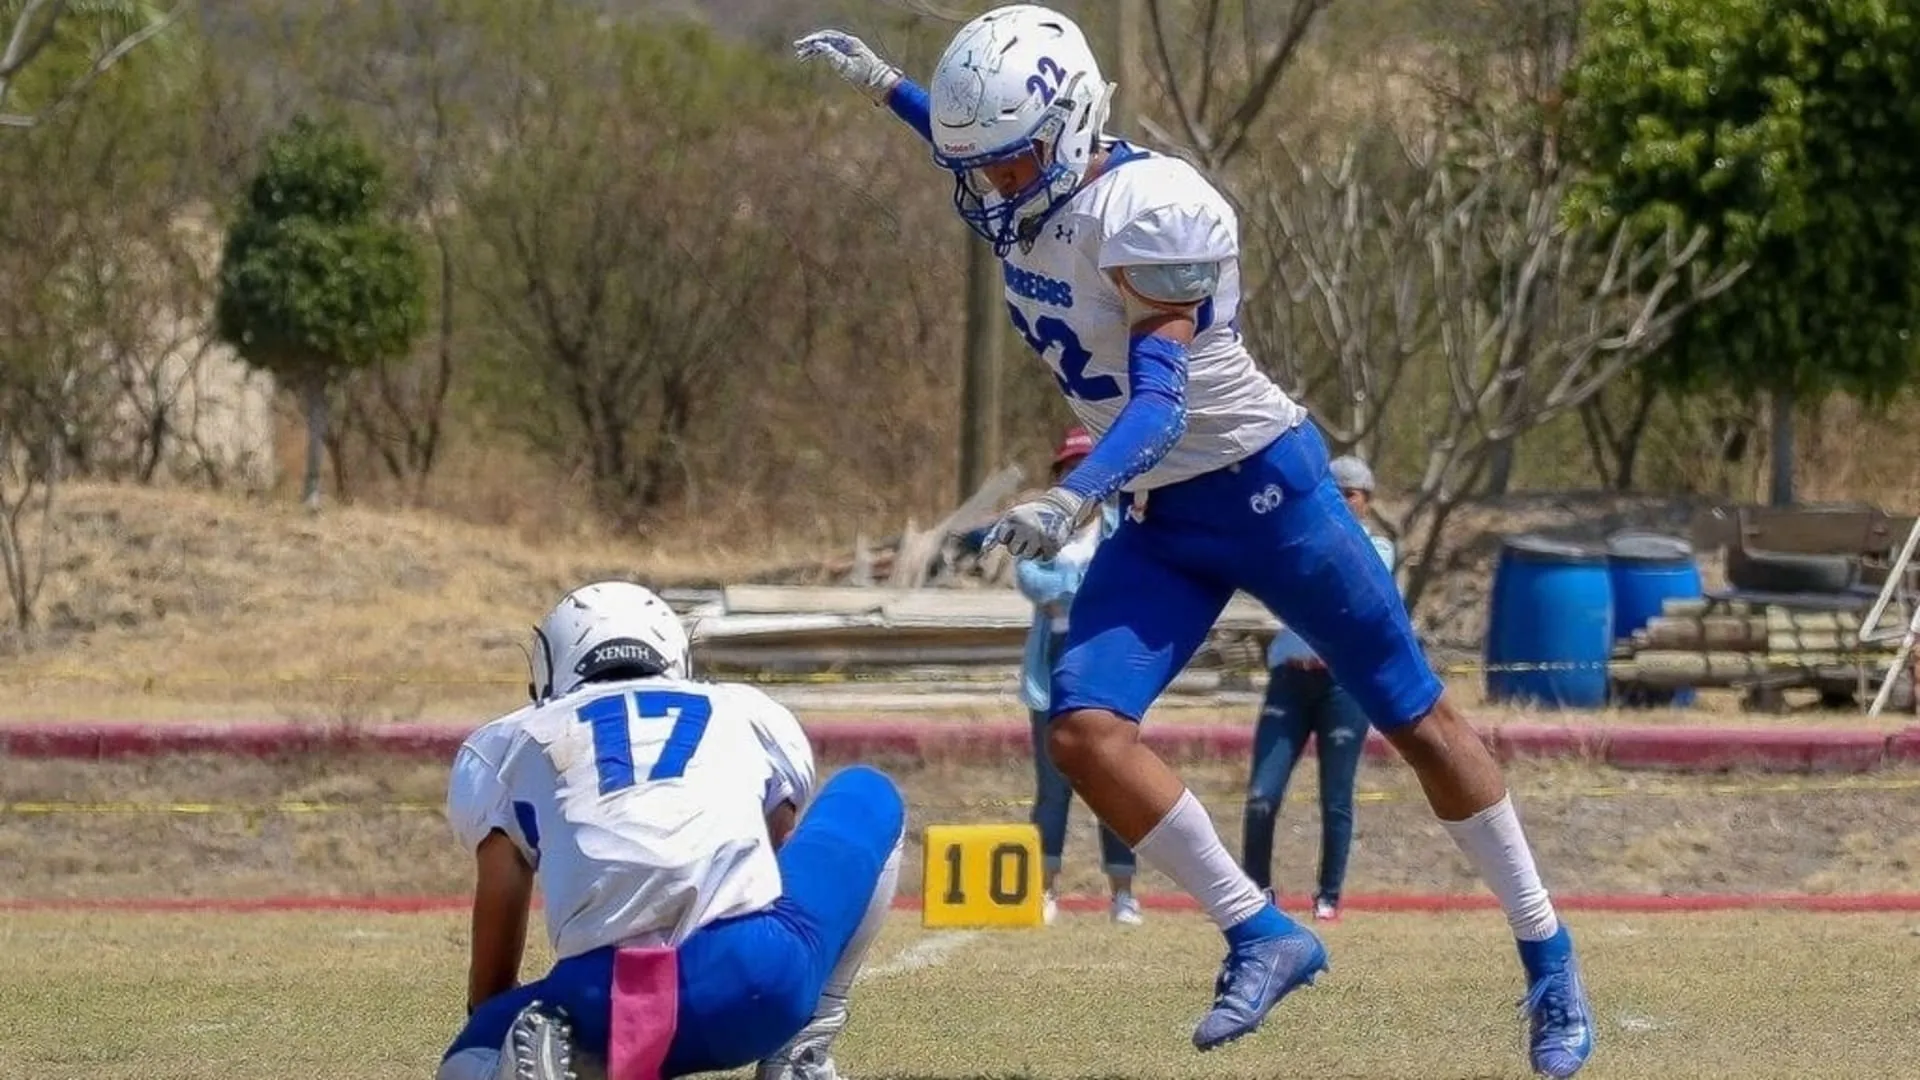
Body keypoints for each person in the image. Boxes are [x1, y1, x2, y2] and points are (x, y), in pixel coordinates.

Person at [792, 7, 1593, 1076]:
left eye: (1013, 157)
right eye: (978, 163)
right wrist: (891, 88)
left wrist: (1075, 499)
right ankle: (1261, 932)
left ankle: (1550, 961)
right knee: (1083, 730)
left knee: (1419, 715)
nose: (993, 184)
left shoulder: (1149, 211)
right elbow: (971, 137)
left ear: (1073, 128)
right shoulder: (1024, 174)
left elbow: (1163, 404)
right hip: (1165, 520)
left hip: (1266, 490)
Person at [437, 580, 903, 1080]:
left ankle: (504, 1070)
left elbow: (497, 933)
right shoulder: (745, 712)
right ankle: (801, 1050)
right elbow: (775, 870)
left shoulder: (506, 742)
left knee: (469, 1059)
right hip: (747, 985)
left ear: (551, 667)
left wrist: (489, 1024)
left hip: (597, 1006)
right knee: (869, 793)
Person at [1242, 455, 1392, 924]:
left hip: (1342, 683)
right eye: (1334, 493)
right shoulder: (1293, 539)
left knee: (1335, 796)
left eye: (1350, 494)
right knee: (1262, 795)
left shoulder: (1378, 547)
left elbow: (1351, 593)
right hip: (1290, 678)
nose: (1341, 502)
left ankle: (1328, 894)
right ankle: (1254, 893)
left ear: (1366, 502)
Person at [1015, 425, 1141, 926]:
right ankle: (1043, 890)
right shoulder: (1040, 529)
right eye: (1069, 469)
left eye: (1087, 468)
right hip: (1051, 662)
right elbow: (1031, 581)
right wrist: (1079, 582)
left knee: (1110, 776)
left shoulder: (1120, 530)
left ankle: (1123, 892)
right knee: (1052, 784)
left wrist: (1066, 586)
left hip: (1104, 660)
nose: (1078, 477)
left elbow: (1118, 588)